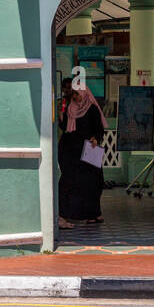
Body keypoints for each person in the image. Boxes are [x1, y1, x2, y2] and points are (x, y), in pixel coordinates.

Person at [64, 86, 108, 225]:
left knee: (94, 183)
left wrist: (96, 137)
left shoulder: (92, 109)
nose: (76, 97)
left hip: (89, 149)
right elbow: (65, 127)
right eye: (74, 94)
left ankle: (96, 213)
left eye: (78, 94)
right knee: (80, 184)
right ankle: (86, 214)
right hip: (74, 151)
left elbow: (99, 127)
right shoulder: (71, 108)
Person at [56, 79, 78, 229]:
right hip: (65, 143)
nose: (67, 91)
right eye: (65, 88)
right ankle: (62, 213)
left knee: (72, 179)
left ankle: (68, 211)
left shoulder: (80, 104)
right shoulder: (62, 104)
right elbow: (63, 124)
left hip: (73, 144)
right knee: (66, 178)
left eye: (69, 88)